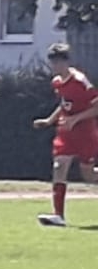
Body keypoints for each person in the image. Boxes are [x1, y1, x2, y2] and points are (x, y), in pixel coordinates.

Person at [34, 42, 98, 227]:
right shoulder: (57, 82)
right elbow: (64, 104)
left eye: (58, 62)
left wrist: (75, 119)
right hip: (66, 133)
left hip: (85, 133)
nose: (54, 66)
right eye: (52, 62)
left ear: (66, 62)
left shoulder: (80, 81)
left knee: (88, 175)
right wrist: (49, 120)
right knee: (59, 166)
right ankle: (58, 215)